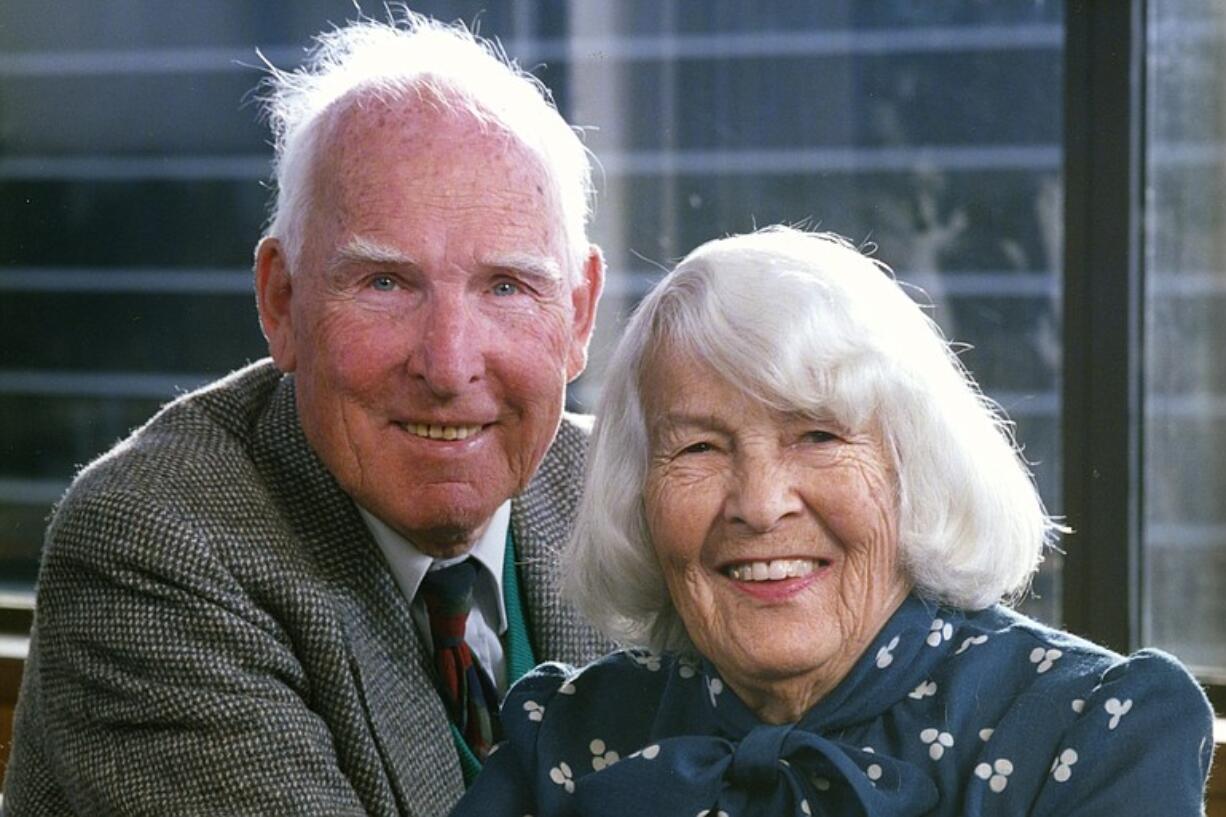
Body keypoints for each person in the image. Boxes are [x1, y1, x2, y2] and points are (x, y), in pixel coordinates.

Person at [2, 11, 610, 816]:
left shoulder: (633, 491)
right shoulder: (151, 544)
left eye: (507, 286)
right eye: (385, 283)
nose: (449, 363)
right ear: (281, 300)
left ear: (579, 315)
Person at [453, 227, 1216, 816]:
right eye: (699, 447)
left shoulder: (1096, 731)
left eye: (817, 435)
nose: (759, 502)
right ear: (638, 493)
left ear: (914, 465)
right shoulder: (560, 733)